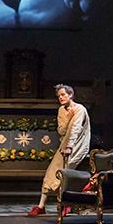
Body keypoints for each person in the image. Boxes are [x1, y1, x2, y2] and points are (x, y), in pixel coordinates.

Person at [27, 84, 91, 216]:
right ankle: (41, 206)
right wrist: (68, 119)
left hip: (77, 145)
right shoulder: (62, 110)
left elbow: (76, 130)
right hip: (65, 144)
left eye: (63, 95)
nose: (60, 98)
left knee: (65, 173)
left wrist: (69, 147)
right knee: (52, 172)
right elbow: (61, 130)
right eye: (59, 96)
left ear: (70, 95)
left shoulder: (80, 109)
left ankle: (65, 203)